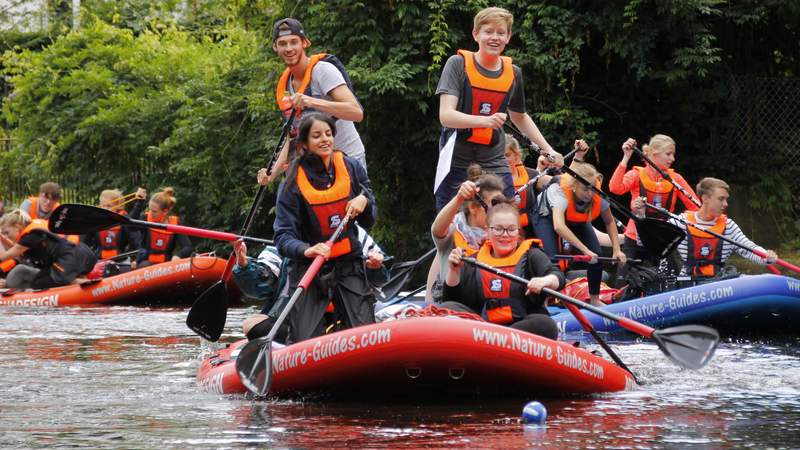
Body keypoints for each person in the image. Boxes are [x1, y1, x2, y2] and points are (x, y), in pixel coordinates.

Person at [434, 6, 562, 211]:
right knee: (449, 221)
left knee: (505, 212)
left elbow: (519, 116)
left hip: (493, 155)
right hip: (456, 155)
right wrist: (485, 121)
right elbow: (446, 116)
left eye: (501, 33)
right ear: (476, 34)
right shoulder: (457, 64)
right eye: (488, 31)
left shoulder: (514, 73)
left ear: (508, 37)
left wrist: (549, 150)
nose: (495, 37)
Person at [268, 113, 377, 344]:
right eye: (317, 136)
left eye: (328, 134)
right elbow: (282, 236)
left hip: (348, 262)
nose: (325, 139)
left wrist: (364, 202)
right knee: (304, 339)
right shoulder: (291, 183)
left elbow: (369, 219)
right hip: (309, 267)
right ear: (305, 144)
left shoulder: (352, 167)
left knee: (363, 332)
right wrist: (306, 250)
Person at [238, 225, 389, 341]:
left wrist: (375, 268)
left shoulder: (356, 235)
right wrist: (244, 266)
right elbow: (261, 286)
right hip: (299, 321)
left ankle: (336, 336)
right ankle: (315, 340)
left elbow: (381, 284)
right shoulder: (287, 238)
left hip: (346, 319)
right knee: (251, 325)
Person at [442, 200, 565, 339]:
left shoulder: (532, 255)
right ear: (488, 230)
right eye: (499, 229)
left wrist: (544, 281)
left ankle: (497, 341)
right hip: (481, 330)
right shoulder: (474, 260)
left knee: (545, 324)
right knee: (446, 308)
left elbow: (558, 277)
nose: (505, 235)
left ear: (518, 231)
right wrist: (454, 271)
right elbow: (451, 299)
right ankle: (489, 341)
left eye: (511, 229)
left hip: (520, 330)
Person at [265, 17, 366, 182]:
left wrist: (310, 101)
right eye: (282, 44)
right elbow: (291, 135)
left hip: (348, 160)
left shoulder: (323, 71)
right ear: (275, 47)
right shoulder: (285, 88)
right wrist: (272, 173)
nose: (289, 48)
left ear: (304, 43)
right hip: (316, 167)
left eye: (294, 42)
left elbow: (357, 113)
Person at [534, 162, 626, 306]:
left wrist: (616, 250)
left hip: (575, 218)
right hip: (546, 216)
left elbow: (609, 221)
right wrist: (584, 250)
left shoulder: (596, 193)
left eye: (592, 189)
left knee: (596, 254)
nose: (590, 194)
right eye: (585, 189)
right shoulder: (559, 191)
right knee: (551, 260)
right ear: (574, 186)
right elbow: (559, 226)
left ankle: (595, 299)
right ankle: (544, 302)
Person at [609, 135, 699, 264]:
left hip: (662, 239)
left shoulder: (676, 179)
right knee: (622, 281)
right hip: (635, 236)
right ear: (654, 153)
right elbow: (614, 188)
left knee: (669, 281)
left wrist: (679, 223)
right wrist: (626, 156)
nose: (672, 159)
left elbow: (696, 208)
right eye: (668, 154)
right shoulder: (636, 174)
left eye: (673, 154)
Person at [670, 177, 777, 278]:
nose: (725, 204)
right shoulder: (680, 222)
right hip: (687, 288)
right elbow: (658, 243)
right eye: (721, 199)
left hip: (718, 284)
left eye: (726, 199)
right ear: (705, 198)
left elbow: (749, 249)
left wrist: (766, 256)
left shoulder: (729, 226)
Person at [427, 165, 505, 302]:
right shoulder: (452, 232)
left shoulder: (504, 234)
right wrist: (459, 198)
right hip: (453, 310)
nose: (500, 210)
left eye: (502, 204)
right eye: (495, 203)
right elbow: (436, 230)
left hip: (487, 307)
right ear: (474, 208)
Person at [0, 209, 97, 289]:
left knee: (40, 284)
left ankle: (82, 283)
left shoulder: (29, 238)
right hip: (85, 255)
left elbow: (4, 256)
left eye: (6, 233)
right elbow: (17, 255)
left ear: (17, 227)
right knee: (38, 279)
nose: (6, 236)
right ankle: (75, 280)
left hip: (70, 258)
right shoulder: (34, 230)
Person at [133, 187, 192, 268]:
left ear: (165, 211)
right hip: (146, 263)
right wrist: (139, 202)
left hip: (166, 266)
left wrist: (178, 255)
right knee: (145, 266)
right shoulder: (145, 219)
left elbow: (187, 247)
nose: (151, 213)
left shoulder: (175, 223)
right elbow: (131, 228)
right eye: (150, 209)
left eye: (154, 211)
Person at [82, 188, 146, 259]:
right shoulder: (96, 221)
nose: (105, 209)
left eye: (109, 206)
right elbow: (85, 242)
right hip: (99, 260)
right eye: (103, 205)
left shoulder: (123, 221)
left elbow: (135, 242)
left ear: (119, 206)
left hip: (121, 261)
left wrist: (134, 260)